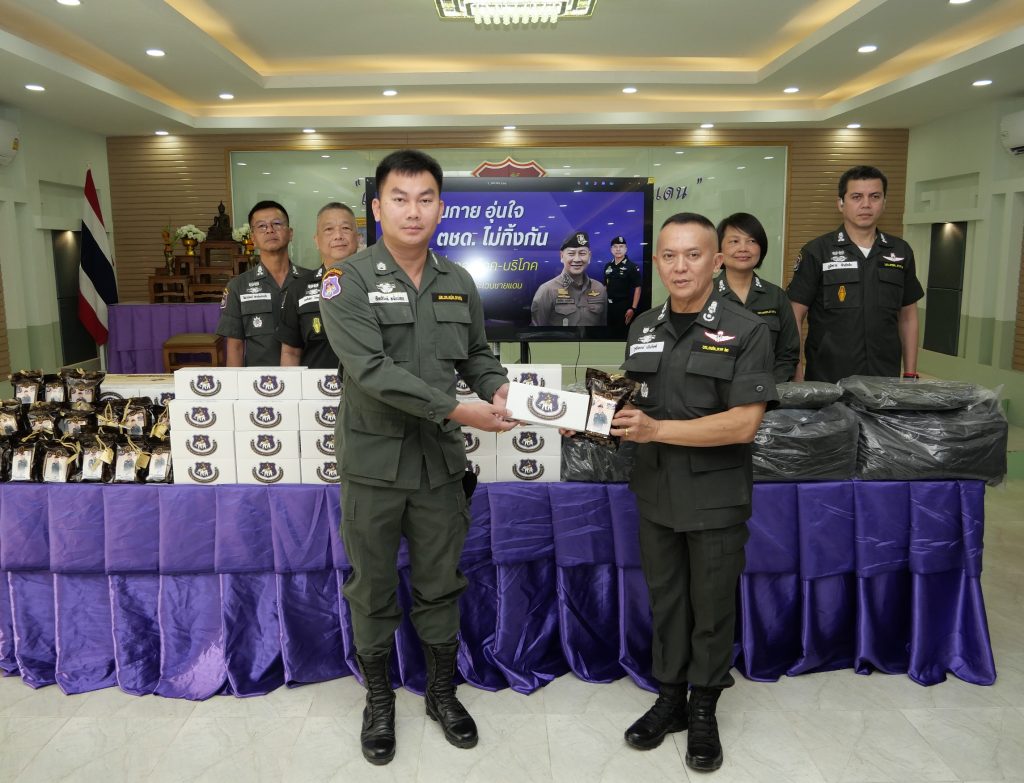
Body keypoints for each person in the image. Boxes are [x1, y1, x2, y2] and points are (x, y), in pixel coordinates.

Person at [320, 149, 517, 766]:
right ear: (377, 208)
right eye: (399, 199)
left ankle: (441, 693)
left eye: (425, 198)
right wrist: (460, 410)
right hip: (373, 465)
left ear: (440, 207)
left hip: (438, 465)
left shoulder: (458, 280)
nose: (413, 211)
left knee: (440, 583)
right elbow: (371, 371)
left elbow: (477, 354)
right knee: (372, 587)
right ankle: (379, 701)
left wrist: (497, 388)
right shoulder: (346, 280)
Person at [613, 212, 776, 774]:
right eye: (669, 255)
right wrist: (593, 420)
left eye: (693, 254)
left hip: (715, 495)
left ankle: (703, 708)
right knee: (666, 602)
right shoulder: (644, 327)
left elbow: (743, 424)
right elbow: (633, 403)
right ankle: (670, 700)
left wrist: (657, 429)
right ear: (657, 261)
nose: (679, 266)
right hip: (655, 490)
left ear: (716, 260)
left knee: (711, 607)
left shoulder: (747, 329)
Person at [787, 165, 924, 382]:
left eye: (875, 196)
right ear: (841, 203)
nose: (866, 204)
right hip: (827, 378)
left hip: (884, 378)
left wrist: (909, 373)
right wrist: (797, 375)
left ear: (884, 203)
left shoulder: (900, 251)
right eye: (857, 197)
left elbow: (908, 317)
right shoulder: (817, 251)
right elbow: (794, 316)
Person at [216, 200, 305, 366]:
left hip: (305, 377)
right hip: (259, 379)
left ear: (290, 233)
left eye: (277, 224)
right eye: (262, 226)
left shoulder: (310, 282)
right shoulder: (238, 287)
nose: (270, 230)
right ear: (253, 238)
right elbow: (235, 347)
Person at [716, 213, 800, 382]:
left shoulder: (776, 296)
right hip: (714, 393)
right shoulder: (703, 295)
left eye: (752, 241)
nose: (743, 248)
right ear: (719, 249)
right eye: (734, 241)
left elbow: (788, 354)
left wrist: (766, 388)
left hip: (767, 391)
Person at [278, 202, 359, 368]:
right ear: (316, 241)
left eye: (346, 228)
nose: (338, 236)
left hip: (367, 384)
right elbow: (290, 352)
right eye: (329, 229)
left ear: (358, 238)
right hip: (316, 383)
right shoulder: (298, 289)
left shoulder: (375, 284)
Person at [530, 230, 608, 326]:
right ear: (562, 256)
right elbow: (537, 332)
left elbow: (603, 327)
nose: (577, 259)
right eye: (571, 253)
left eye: (582, 253)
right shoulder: (547, 291)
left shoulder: (599, 288)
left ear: (589, 256)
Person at [603, 234, 642, 336]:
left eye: (621, 246)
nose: (618, 249)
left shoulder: (632, 267)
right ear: (611, 250)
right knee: (608, 335)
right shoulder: (608, 266)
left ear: (626, 249)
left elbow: (638, 288)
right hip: (608, 307)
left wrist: (633, 308)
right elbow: (605, 286)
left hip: (623, 307)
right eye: (615, 247)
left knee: (621, 335)